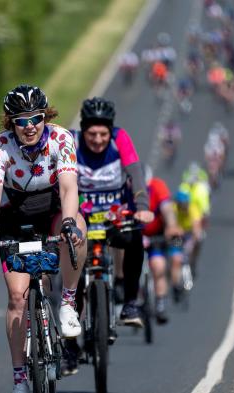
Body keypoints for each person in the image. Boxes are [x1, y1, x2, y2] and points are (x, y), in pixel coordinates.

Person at [0, 85, 87, 393]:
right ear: (11, 123)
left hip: (51, 208)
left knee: (77, 226)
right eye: (20, 121)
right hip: (14, 216)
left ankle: (67, 303)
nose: (29, 126)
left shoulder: (61, 138)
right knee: (16, 297)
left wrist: (67, 222)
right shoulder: (0, 146)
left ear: (44, 117)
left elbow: (68, 187)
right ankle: (20, 376)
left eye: (35, 118)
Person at [62, 97, 154, 376]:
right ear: (83, 130)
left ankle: (129, 303)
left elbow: (135, 173)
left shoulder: (120, 139)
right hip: (84, 217)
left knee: (135, 239)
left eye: (103, 134)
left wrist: (142, 207)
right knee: (73, 277)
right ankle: (70, 344)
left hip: (116, 214)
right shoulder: (72, 142)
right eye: (92, 134)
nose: (99, 140)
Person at [141, 166, 182, 324]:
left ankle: (160, 304)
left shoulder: (157, 186)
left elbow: (167, 208)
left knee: (158, 267)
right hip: (135, 234)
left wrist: (171, 225)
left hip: (155, 236)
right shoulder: (126, 188)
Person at [170, 185, 205, 302]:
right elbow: (170, 224)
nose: (183, 207)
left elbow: (197, 229)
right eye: (181, 204)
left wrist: (191, 244)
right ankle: (175, 286)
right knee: (176, 258)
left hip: (190, 234)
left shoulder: (193, 209)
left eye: (185, 204)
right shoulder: (174, 209)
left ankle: (193, 261)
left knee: (198, 240)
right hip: (178, 235)